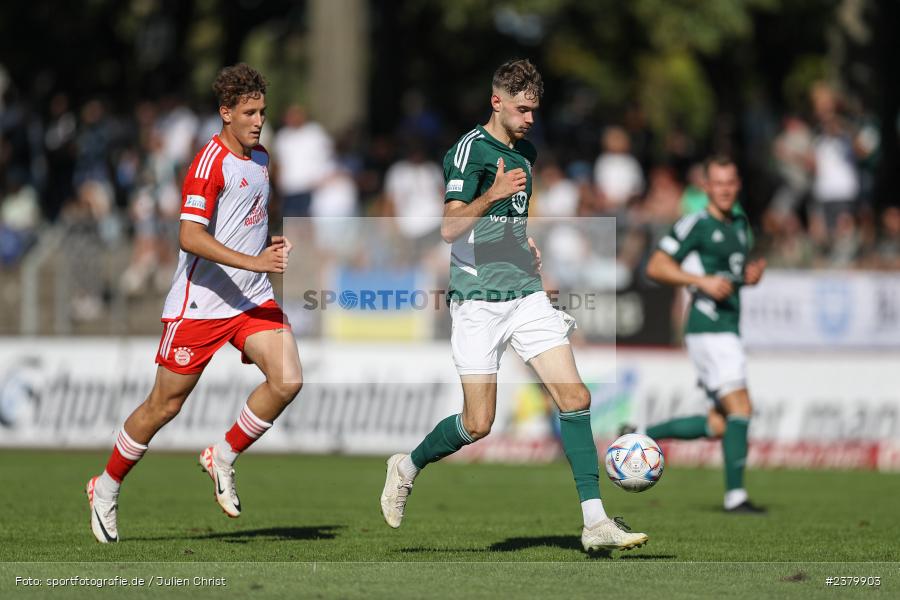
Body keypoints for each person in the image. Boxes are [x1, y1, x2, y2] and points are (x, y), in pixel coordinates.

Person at [379, 59, 648, 553]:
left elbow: (509, 220)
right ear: (496, 101)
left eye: (534, 111)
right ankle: (408, 465)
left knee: (576, 398)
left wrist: (525, 245)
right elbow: (450, 227)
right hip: (478, 302)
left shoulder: (526, 152)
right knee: (477, 424)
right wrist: (494, 193)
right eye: (522, 109)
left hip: (525, 295)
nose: (529, 119)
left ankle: (595, 522)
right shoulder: (468, 151)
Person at [85, 64, 303, 543]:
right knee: (164, 406)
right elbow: (188, 236)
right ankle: (105, 486)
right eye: (248, 112)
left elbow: (246, 221)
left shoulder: (262, 158)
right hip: (201, 304)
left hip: (250, 298)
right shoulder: (209, 163)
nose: (258, 121)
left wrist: (269, 250)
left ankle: (222, 455)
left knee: (288, 379)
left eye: (262, 111)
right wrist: (253, 259)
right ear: (225, 113)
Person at [642, 155, 766, 514]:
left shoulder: (741, 225)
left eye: (730, 183)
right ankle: (736, 497)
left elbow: (730, 276)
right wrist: (700, 282)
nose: (724, 189)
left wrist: (749, 278)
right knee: (741, 407)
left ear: (737, 185)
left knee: (718, 422)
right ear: (706, 187)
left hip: (728, 327)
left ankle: (643, 429)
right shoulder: (695, 224)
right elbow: (656, 266)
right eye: (718, 183)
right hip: (707, 327)